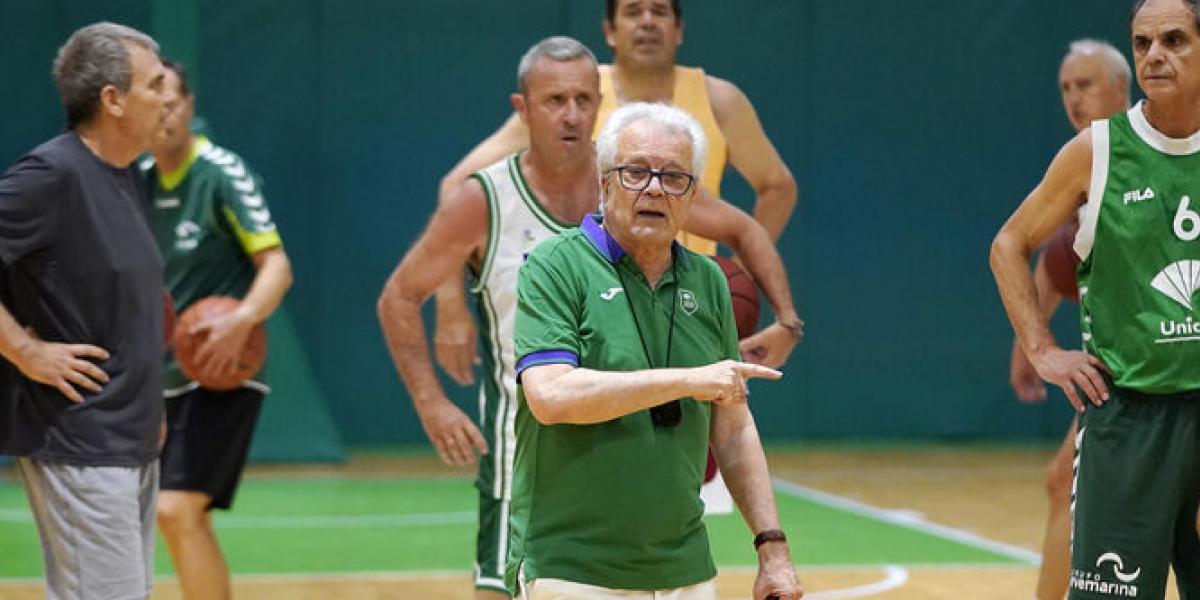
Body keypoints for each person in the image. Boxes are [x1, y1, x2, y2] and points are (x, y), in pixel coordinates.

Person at [377, 37, 802, 599]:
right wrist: (435, 386)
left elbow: (734, 416)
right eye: (555, 100)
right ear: (523, 109)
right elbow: (404, 298)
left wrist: (787, 319)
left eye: (584, 99)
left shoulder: (697, 268)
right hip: (530, 473)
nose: (572, 114)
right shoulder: (505, 217)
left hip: (676, 548)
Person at [510, 102, 801, 600]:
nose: (653, 188)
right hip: (572, 568)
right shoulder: (555, 266)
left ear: (691, 197)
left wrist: (772, 549)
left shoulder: (709, 280)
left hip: (684, 568)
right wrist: (687, 380)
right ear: (604, 182)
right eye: (635, 172)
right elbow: (551, 395)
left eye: (673, 178)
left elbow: (732, 429)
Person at [433, 0, 799, 388]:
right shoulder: (576, 95)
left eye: (659, 11)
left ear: (679, 30)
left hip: (682, 311)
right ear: (609, 30)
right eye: (633, 11)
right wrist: (450, 302)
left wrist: (733, 282)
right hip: (598, 306)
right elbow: (458, 186)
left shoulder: (719, 99)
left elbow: (777, 187)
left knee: (701, 438)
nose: (646, 22)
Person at [991, 0, 1200, 596]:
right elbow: (1008, 244)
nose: (1155, 55)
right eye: (1142, 44)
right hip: (1129, 417)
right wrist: (1041, 348)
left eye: (1175, 40)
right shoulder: (1097, 150)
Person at [0, 22, 167, 599]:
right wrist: (25, 351)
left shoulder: (125, 179)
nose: (168, 97)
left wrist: (150, 404)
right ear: (112, 99)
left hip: (131, 438)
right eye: (154, 84)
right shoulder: (52, 175)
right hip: (80, 438)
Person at [140, 60, 293, 600]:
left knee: (176, 508)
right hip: (156, 378)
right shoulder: (133, 181)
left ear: (190, 107)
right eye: (153, 102)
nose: (164, 113)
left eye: (173, 101)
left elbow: (277, 266)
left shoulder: (223, 173)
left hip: (221, 371)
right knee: (166, 516)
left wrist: (242, 320)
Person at [1004, 39, 1130, 600]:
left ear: (1122, 86)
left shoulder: (1151, 151)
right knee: (1063, 482)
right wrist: (1032, 346)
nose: (1074, 98)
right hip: (1127, 364)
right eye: (1065, 89)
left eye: (1086, 85)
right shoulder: (1085, 158)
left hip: (1163, 358)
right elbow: (1057, 259)